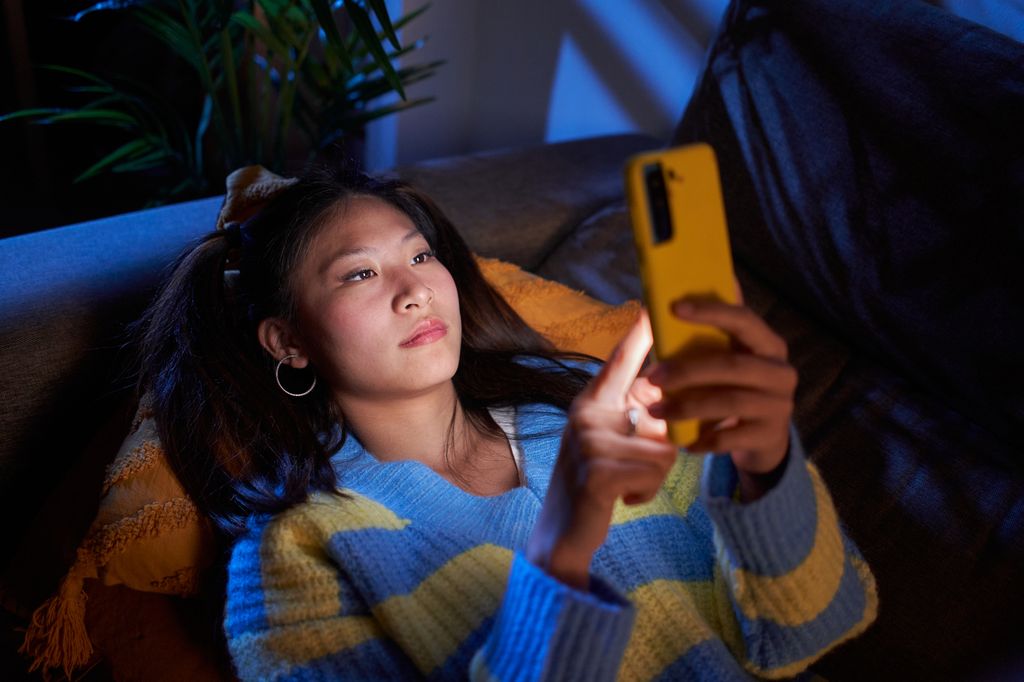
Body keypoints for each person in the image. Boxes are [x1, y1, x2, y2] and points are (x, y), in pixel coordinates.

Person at [136, 162, 877, 681]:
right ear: (288, 341)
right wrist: (566, 537)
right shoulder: (294, 553)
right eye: (360, 273)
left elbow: (808, 631)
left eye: (422, 255)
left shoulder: (586, 402)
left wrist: (768, 467)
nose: (415, 291)